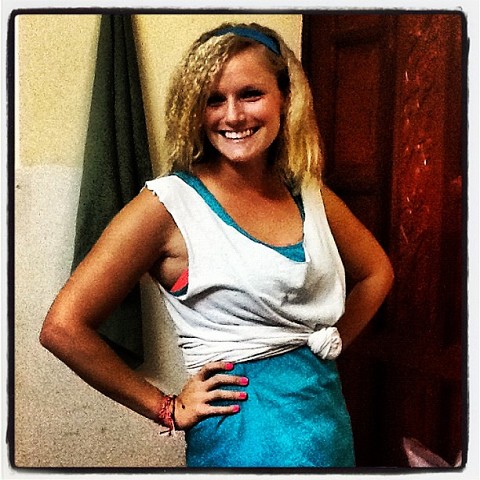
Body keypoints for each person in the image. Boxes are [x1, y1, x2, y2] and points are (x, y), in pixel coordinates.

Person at [40, 22, 394, 468]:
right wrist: (166, 408)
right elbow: (62, 328)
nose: (233, 116)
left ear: (285, 97)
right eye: (213, 100)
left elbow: (377, 272)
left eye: (251, 94)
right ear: (194, 109)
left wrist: (330, 341)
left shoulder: (308, 191)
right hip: (239, 442)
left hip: (326, 428)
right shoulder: (169, 204)